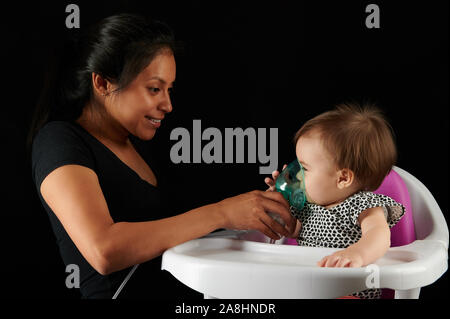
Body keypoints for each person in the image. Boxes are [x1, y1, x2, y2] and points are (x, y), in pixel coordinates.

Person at [28, 13, 296, 299]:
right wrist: (224, 212)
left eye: (169, 90)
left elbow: (169, 233)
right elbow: (103, 250)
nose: (167, 105)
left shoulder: (137, 141)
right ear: (103, 83)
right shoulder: (59, 141)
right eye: (154, 89)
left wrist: (258, 209)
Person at [265, 103, 405, 299]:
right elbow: (290, 231)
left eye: (304, 169)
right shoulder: (307, 206)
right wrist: (278, 200)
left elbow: (379, 235)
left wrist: (356, 254)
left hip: (347, 289)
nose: (297, 176)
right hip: (309, 286)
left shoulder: (363, 205)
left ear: (342, 178)